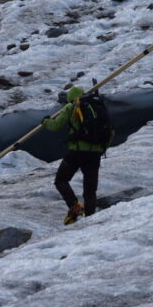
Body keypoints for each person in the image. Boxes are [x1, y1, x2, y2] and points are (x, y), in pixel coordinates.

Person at [41, 85, 114, 225]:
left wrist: (45, 122)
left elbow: (55, 126)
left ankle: (75, 206)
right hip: (95, 154)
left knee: (61, 180)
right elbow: (110, 130)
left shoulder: (72, 107)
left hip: (77, 152)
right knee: (90, 189)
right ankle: (91, 219)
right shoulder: (97, 106)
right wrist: (100, 148)